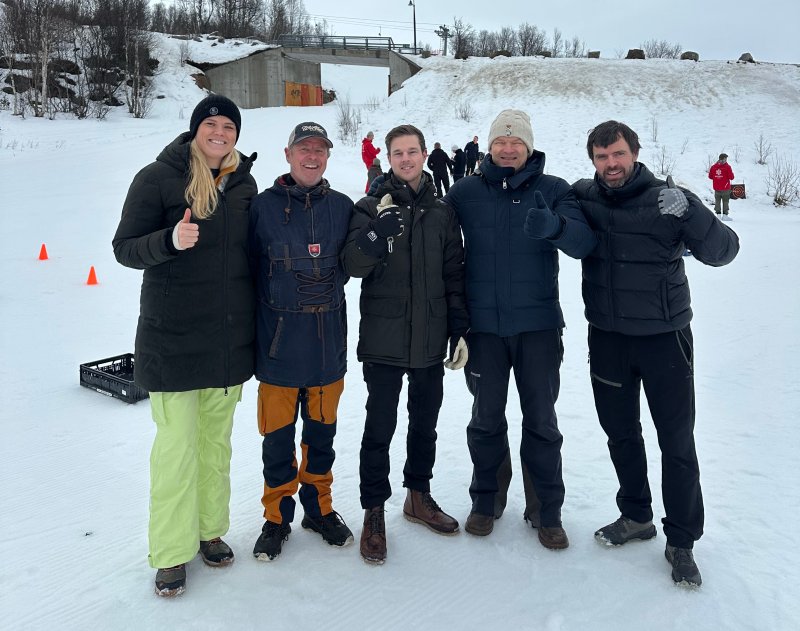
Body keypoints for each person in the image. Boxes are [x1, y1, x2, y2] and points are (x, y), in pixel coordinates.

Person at [573, 120, 739, 586]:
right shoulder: (584, 197)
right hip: (608, 338)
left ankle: (681, 540)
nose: (611, 164)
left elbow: (724, 251)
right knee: (620, 434)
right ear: (593, 160)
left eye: (618, 154)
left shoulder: (670, 200)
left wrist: (693, 212)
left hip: (665, 338)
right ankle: (636, 516)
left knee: (676, 442)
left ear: (635, 152)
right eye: (602, 157)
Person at [113, 94, 258, 597]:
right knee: (176, 452)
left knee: (215, 448)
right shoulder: (157, 178)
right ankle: (172, 552)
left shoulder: (243, 184)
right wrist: (169, 241)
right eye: (210, 124)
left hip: (227, 341)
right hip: (172, 339)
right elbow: (124, 248)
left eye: (228, 126)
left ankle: (209, 530)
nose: (219, 133)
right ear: (196, 130)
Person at [443, 110, 596, 550]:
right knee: (485, 419)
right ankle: (485, 501)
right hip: (484, 331)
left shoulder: (555, 190)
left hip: (538, 329)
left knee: (542, 422)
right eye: (500, 142)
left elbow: (584, 242)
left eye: (516, 143)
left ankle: (546, 510)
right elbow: (434, 232)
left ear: (529, 148)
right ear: (489, 147)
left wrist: (556, 227)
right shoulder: (465, 192)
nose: (508, 149)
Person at [342, 124, 469, 565]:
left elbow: (454, 272)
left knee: (424, 423)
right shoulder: (369, 206)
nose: (406, 159)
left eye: (412, 151)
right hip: (385, 337)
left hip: (430, 336)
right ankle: (374, 510)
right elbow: (352, 264)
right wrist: (375, 234)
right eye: (398, 153)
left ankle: (418, 496)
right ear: (389, 158)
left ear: (423, 154)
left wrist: (459, 328)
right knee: (379, 427)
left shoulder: (442, 211)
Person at [248, 122, 355, 562]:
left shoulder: (344, 207)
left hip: (328, 350)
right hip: (278, 351)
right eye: (304, 149)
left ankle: (319, 509)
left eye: (319, 150)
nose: (312, 156)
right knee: (277, 441)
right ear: (288, 154)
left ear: (327, 156)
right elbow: (243, 275)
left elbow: (358, 264)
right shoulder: (260, 208)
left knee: (322, 438)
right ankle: (276, 518)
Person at [708, 153, 735, 219]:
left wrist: (717, 178)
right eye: (725, 158)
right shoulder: (727, 167)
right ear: (723, 159)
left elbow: (710, 176)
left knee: (717, 201)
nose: (726, 160)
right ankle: (725, 216)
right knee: (725, 201)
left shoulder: (713, 167)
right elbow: (731, 177)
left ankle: (718, 215)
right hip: (725, 188)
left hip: (717, 188)